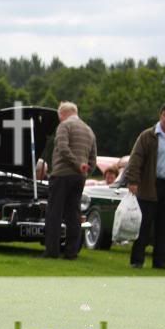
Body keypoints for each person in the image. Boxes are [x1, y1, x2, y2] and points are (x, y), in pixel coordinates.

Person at [43, 101, 96, 259]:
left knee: (54, 213)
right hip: (79, 178)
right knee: (74, 214)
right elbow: (93, 157)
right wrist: (85, 171)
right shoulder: (88, 130)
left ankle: (52, 251)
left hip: (62, 174)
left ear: (62, 114)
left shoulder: (64, 126)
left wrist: (76, 164)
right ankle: (71, 252)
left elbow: (63, 147)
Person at [124, 101, 165, 269]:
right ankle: (137, 260)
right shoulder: (148, 136)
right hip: (150, 185)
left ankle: (160, 262)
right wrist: (133, 181)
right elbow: (136, 159)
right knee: (144, 224)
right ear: (160, 116)